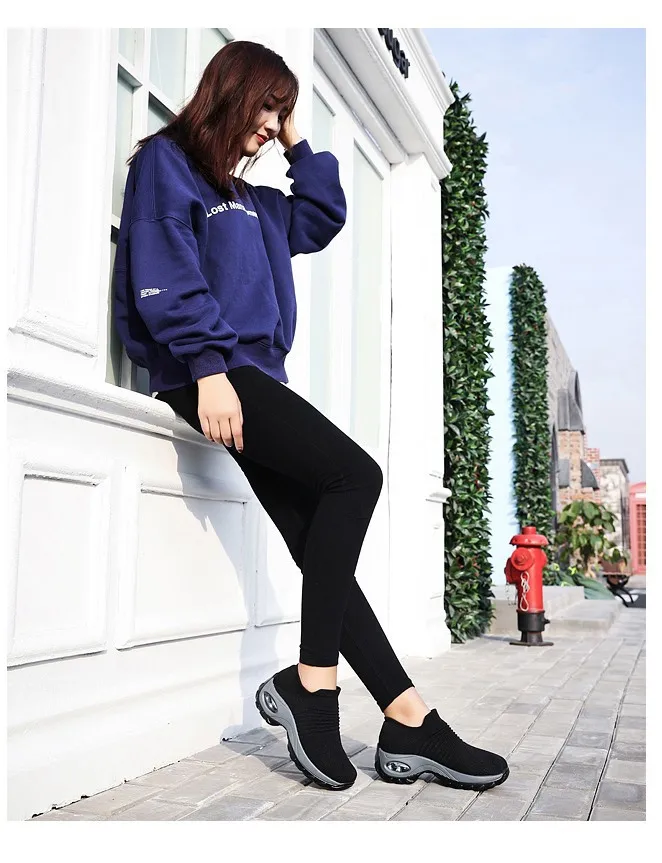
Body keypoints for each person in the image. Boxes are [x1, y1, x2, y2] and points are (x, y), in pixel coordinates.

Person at [114, 40, 509, 793]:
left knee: (318, 549)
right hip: (214, 374)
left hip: (254, 377)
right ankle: (313, 682)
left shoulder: (259, 202)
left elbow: (324, 215)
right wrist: (207, 369)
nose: (270, 126)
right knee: (356, 476)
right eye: (265, 108)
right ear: (230, 92)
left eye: (281, 114)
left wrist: (296, 133)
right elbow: (164, 267)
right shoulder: (168, 163)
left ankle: (407, 717)